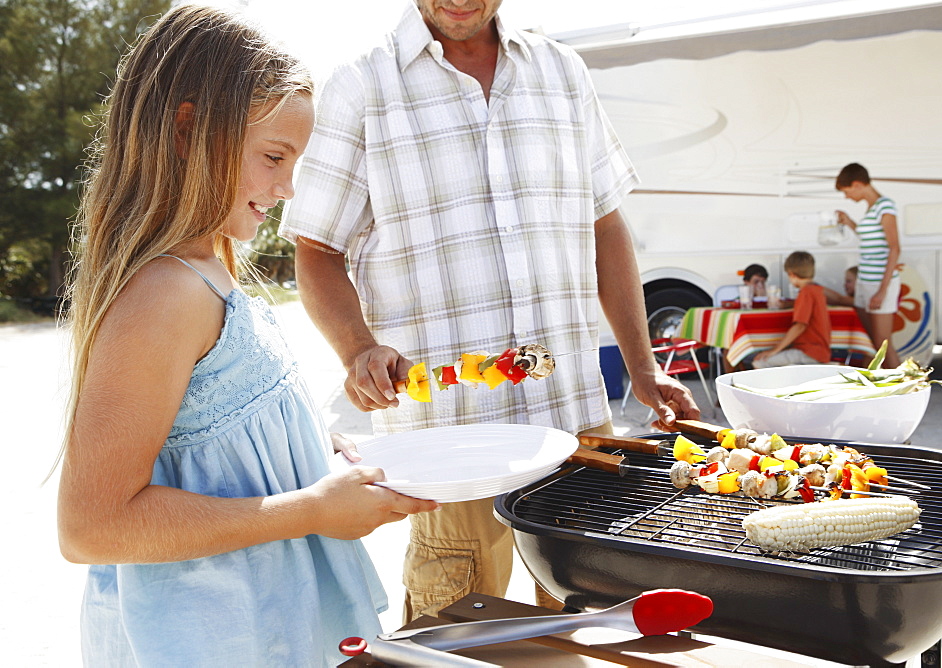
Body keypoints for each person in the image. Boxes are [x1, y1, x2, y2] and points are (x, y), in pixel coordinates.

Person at [280, 0, 700, 622]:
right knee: (458, 640)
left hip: (575, 424)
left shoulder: (562, 72)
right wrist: (356, 348)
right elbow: (316, 249)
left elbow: (605, 226)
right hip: (450, 448)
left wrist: (643, 369)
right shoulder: (361, 84)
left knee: (586, 634)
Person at [55, 5, 438, 665]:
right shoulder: (165, 293)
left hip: (257, 628)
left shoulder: (209, 268)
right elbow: (93, 527)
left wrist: (317, 448)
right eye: (272, 156)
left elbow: (219, 432)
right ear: (187, 129)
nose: (287, 187)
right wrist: (313, 510)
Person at [835, 163, 902, 367]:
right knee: (872, 342)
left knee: (882, 343)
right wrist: (850, 223)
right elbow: (870, 239)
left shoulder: (885, 206)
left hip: (879, 284)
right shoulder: (871, 208)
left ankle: (911, 388)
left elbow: (894, 248)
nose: (847, 197)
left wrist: (882, 290)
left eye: (847, 192)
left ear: (857, 184)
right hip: (865, 281)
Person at [753, 251, 831, 368]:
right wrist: (789, 304)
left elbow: (800, 325)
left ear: (792, 274)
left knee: (759, 362)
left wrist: (774, 350)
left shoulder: (805, 292)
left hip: (808, 351)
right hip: (820, 351)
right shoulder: (817, 290)